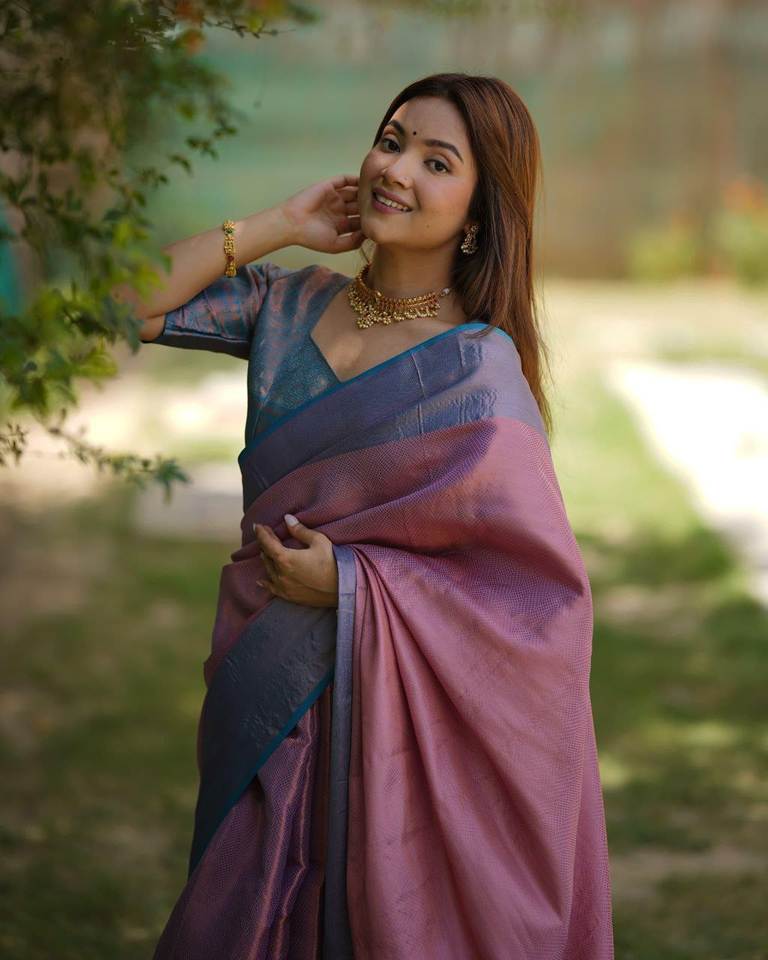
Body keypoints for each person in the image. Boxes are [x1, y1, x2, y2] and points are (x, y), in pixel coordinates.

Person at [119, 72, 614, 959]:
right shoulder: (287, 306)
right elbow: (113, 305)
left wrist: (350, 586)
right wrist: (276, 224)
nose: (397, 170)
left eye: (437, 162)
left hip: (383, 725)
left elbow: (535, 604)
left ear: (478, 213)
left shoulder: (477, 376)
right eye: (392, 141)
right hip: (264, 683)